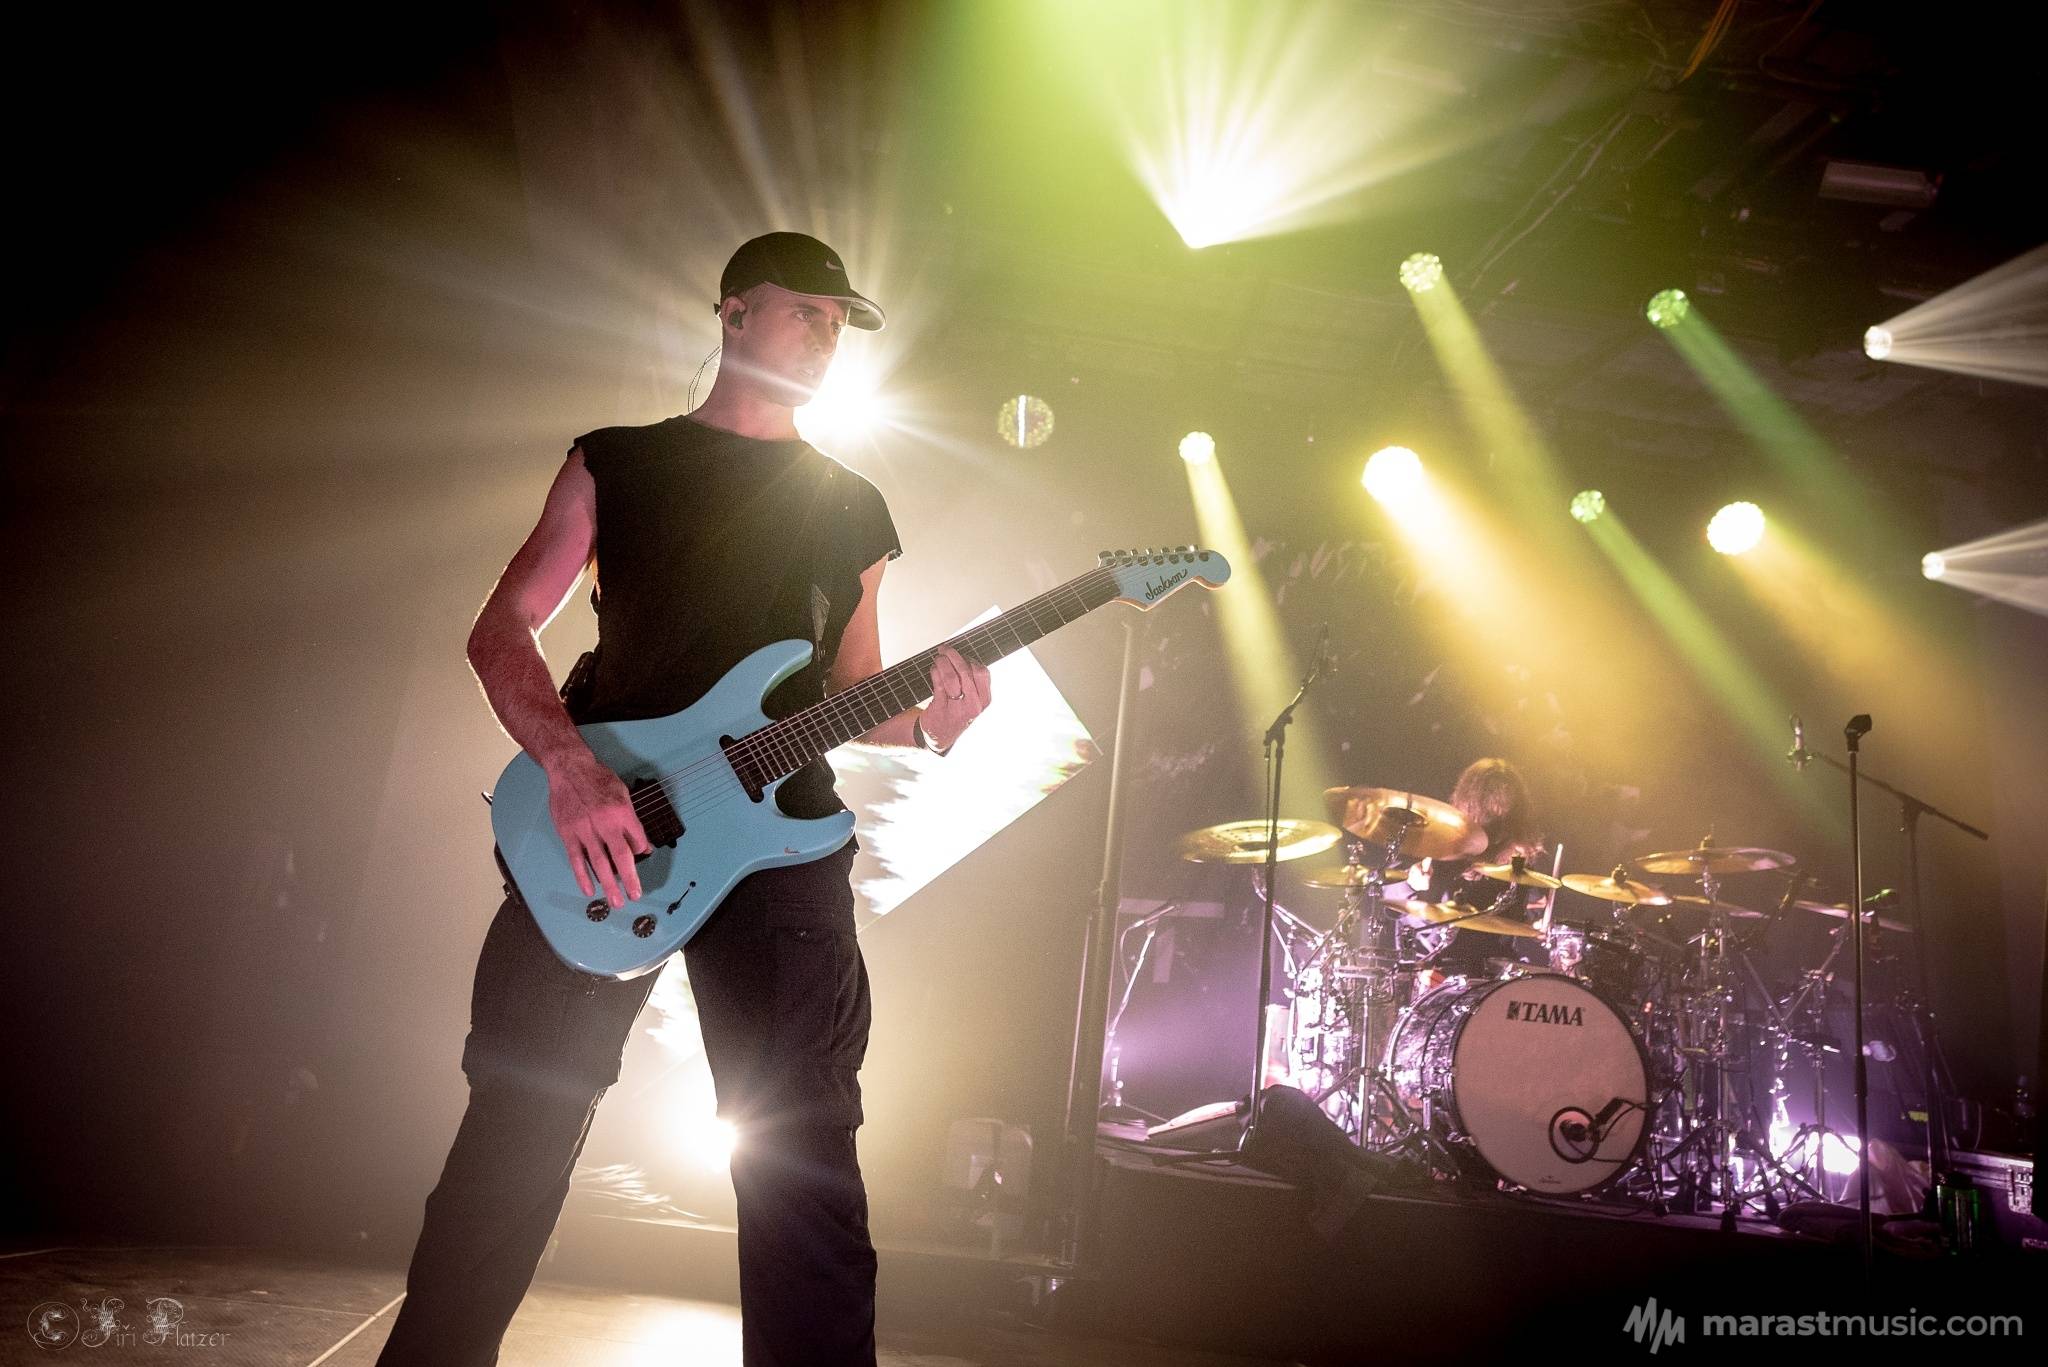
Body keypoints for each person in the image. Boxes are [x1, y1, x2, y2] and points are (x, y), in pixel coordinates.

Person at [376, 232, 989, 1367]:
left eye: (836, 325)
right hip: (610, 827)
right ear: (733, 313)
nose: (823, 338)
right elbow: (500, 629)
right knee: (517, 1130)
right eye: (803, 313)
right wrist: (571, 769)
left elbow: (853, 691)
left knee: (802, 1149)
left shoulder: (851, 505)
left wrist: (932, 724)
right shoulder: (618, 461)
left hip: (779, 848)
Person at [1405, 757, 1547, 984]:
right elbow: (1408, 914)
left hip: (1495, 971)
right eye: (1492, 809)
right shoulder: (1443, 850)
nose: (1499, 819)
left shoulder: (1520, 858)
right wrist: (1413, 884)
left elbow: (1525, 915)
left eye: (1506, 813)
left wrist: (1537, 921)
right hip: (1442, 968)